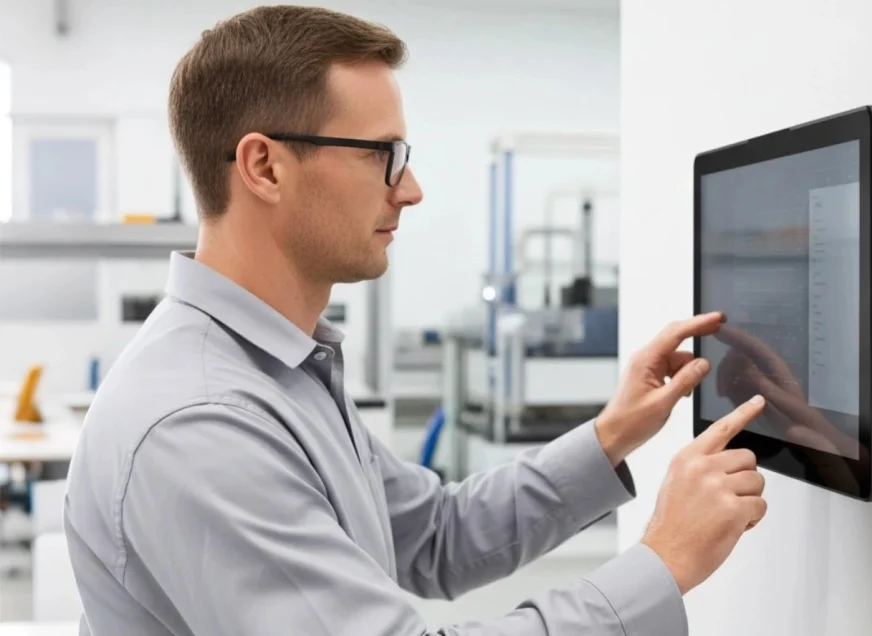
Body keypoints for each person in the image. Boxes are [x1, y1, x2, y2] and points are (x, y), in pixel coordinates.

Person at [62, 6, 768, 635]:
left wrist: (614, 433)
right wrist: (660, 563)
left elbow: (432, 535)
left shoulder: (285, 372)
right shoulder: (199, 423)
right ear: (265, 168)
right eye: (383, 155)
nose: (412, 189)